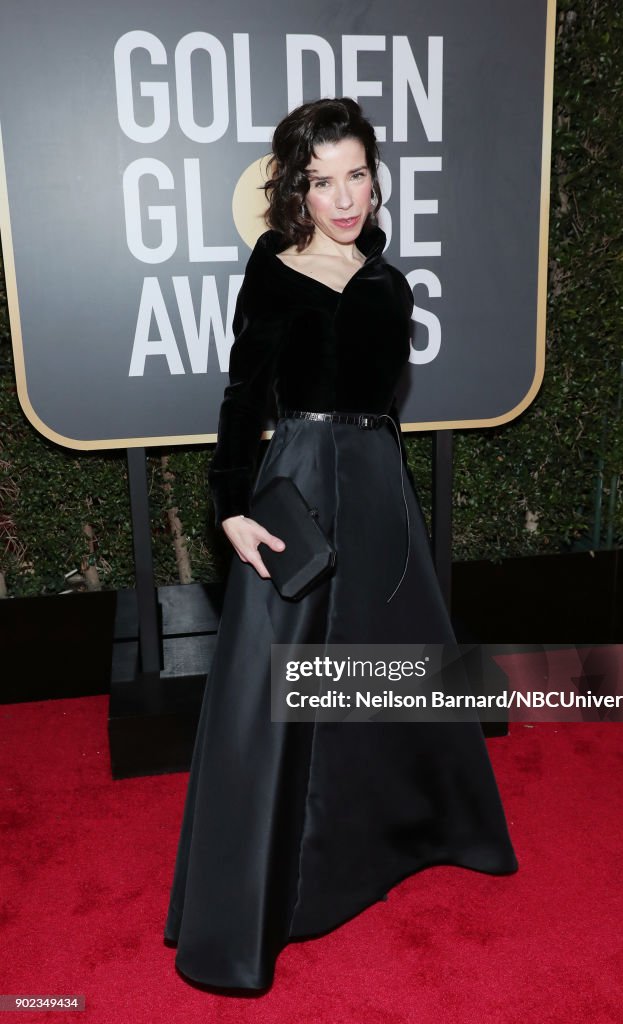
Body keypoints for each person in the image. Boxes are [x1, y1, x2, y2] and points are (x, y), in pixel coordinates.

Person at [164, 97, 518, 991]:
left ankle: (405, 839)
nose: (345, 197)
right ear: (297, 190)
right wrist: (231, 506)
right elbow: (244, 397)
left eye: (356, 174)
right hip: (300, 491)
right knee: (277, 694)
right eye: (323, 182)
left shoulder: (387, 280)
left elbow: (382, 403)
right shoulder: (274, 269)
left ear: (373, 176)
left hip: (378, 492)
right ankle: (264, 900)